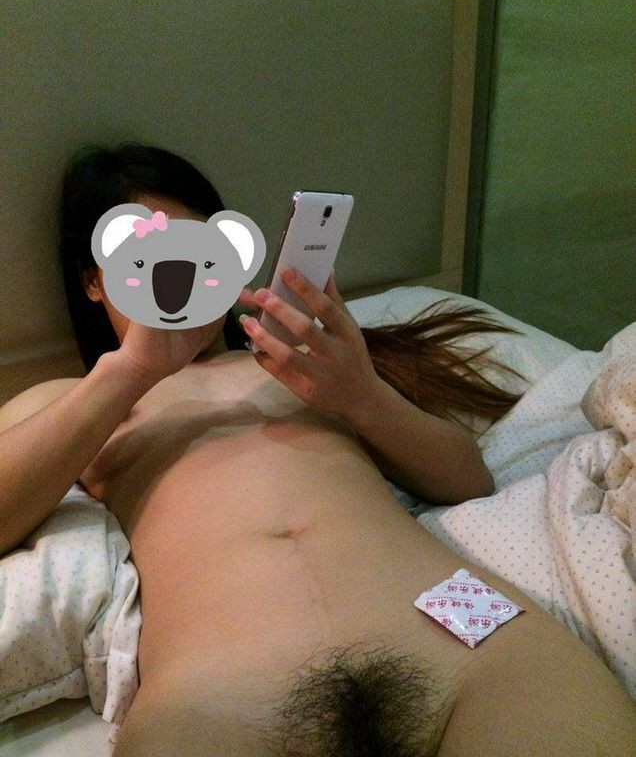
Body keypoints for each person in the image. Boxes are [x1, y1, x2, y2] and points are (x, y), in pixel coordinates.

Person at [0, 143, 633, 756]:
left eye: (200, 250)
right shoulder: (78, 401)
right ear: (93, 280)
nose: (182, 274)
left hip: (454, 629)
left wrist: (361, 393)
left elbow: (469, 480)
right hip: (219, 690)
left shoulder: (304, 364)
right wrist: (131, 373)